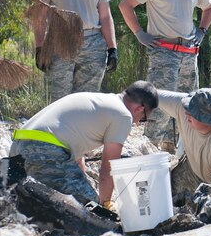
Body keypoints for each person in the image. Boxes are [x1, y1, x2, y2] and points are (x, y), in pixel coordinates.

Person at [119, 0, 211, 152]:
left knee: (189, 103)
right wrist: (139, 33)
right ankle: (150, 147)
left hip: (189, 52)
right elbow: (125, 5)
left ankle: (178, 149)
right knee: (158, 102)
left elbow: (209, 8)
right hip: (163, 51)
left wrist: (202, 31)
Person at [9, 81, 159, 206]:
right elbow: (108, 169)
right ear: (140, 109)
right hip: (42, 150)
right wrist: (105, 204)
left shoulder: (98, 100)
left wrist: (79, 176)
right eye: (143, 118)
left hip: (18, 146)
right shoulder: (123, 115)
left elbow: (71, 139)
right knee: (89, 206)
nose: (139, 122)